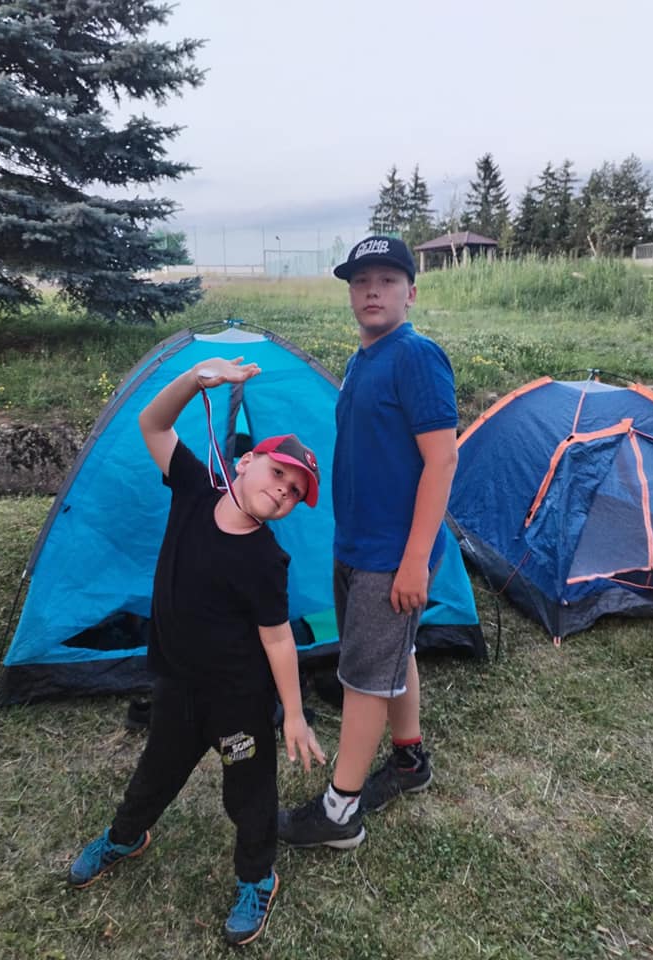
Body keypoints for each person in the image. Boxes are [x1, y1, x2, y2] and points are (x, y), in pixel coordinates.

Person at [68, 356, 325, 946]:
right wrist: (193, 380)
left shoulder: (267, 559)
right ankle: (126, 837)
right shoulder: (193, 486)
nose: (282, 491)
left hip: (238, 702)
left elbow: (278, 637)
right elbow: (152, 424)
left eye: (294, 493)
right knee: (155, 773)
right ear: (244, 461)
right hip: (176, 684)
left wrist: (293, 713)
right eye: (278, 474)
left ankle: (257, 878)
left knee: (249, 794)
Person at [278, 236, 458, 848]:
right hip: (356, 543)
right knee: (391, 656)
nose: (372, 291)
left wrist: (414, 560)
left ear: (411, 292)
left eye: (386, 280)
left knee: (363, 678)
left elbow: (442, 461)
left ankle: (340, 812)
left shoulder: (416, 357)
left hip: (392, 554)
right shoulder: (363, 359)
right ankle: (409, 760)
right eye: (360, 281)